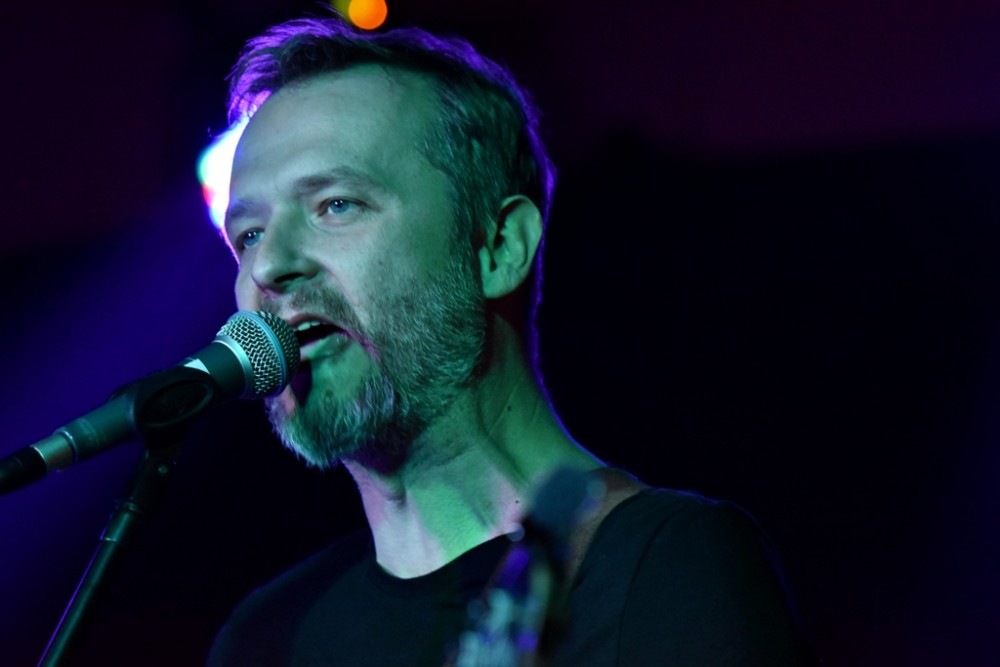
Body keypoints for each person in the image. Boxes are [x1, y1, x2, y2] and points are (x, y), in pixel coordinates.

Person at [206, 14, 816, 667]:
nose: (269, 266)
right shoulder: (267, 638)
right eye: (248, 234)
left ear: (498, 247)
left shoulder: (664, 569)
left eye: (336, 205)